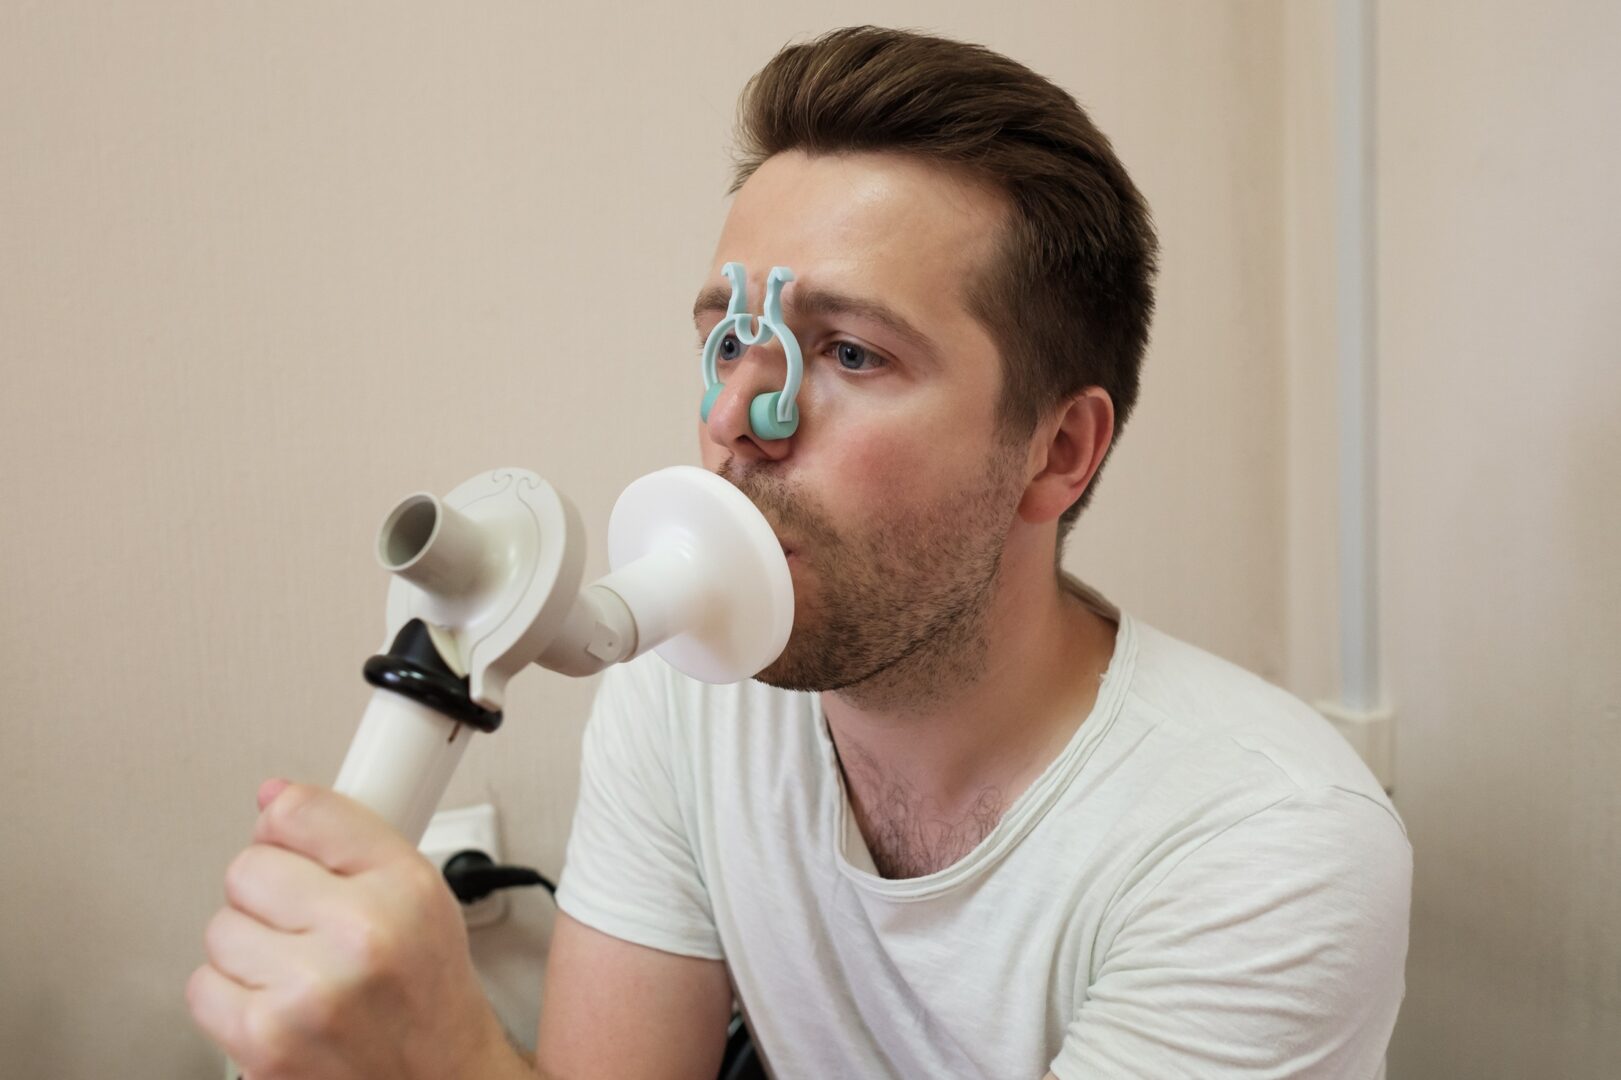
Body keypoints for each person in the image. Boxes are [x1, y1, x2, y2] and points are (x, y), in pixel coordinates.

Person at [188, 26, 1411, 1080]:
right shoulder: (682, 696)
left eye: (852, 353)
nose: (735, 420)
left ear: (1057, 452)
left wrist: (450, 1060)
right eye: (730, 343)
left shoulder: (1265, 847)